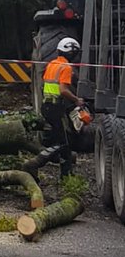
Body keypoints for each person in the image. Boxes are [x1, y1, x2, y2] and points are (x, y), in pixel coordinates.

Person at [41, 37, 85, 177]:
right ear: (72, 53)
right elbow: (63, 90)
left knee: (58, 139)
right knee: (64, 143)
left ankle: (64, 173)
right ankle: (64, 174)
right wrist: (77, 100)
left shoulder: (52, 64)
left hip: (46, 106)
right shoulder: (66, 67)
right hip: (55, 108)